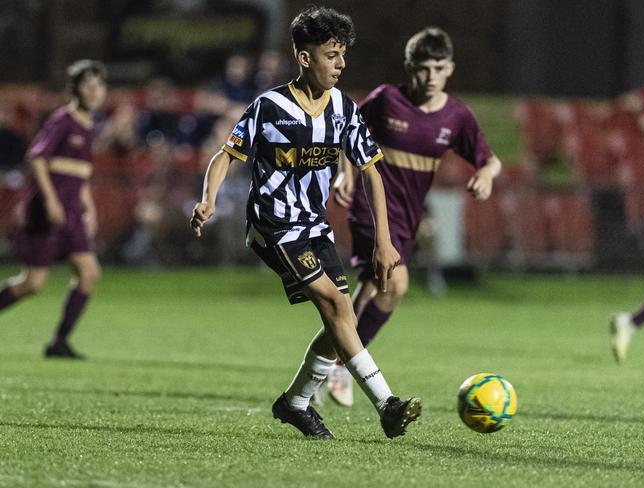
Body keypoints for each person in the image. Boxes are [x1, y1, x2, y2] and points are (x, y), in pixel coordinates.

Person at [191, 6, 421, 439]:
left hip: (314, 226)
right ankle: (387, 404)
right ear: (305, 58)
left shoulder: (343, 108)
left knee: (342, 322)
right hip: (273, 225)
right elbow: (226, 155)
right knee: (336, 307)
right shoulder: (270, 107)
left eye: (343, 54)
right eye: (332, 54)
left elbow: (372, 171)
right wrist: (209, 200)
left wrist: (384, 242)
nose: (341, 64)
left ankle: (295, 403)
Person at [327, 27, 502, 406]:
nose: (431, 76)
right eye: (424, 68)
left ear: (450, 69)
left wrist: (485, 175)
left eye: (439, 68)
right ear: (410, 67)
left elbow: (490, 159)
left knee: (377, 289)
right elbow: (347, 130)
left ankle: (333, 361)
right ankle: (341, 364)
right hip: (370, 208)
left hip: (406, 218)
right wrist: (345, 172)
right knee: (396, 283)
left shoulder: (456, 116)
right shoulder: (387, 100)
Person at [0, 60, 107, 359]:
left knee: (89, 273)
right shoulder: (63, 120)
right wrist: (49, 199)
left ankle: (58, 342)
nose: (95, 92)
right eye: (89, 86)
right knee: (33, 283)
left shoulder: (89, 127)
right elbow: (36, 159)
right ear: (75, 90)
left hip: (73, 212)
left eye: (99, 86)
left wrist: (89, 209)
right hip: (48, 210)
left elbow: (81, 173)